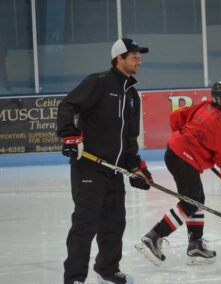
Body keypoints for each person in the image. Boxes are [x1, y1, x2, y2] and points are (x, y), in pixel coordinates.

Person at [57, 38, 153, 284]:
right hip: (89, 167)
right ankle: (75, 278)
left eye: (139, 56)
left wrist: (135, 167)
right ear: (118, 59)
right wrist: (69, 136)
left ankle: (107, 270)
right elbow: (67, 105)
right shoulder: (98, 83)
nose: (139, 61)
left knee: (114, 223)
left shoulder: (132, 94)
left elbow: (130, 136)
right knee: (85, 223)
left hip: (114, 171)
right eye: (134, 56)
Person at [135, 80, 221, 266]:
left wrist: (186, 139)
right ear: (218, 100)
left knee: (196, 199)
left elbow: (176, 116)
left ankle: (195, 246)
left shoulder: (205, 106)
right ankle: (153, 237)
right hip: (184, 158)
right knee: (191, 201)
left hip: (174, 152)